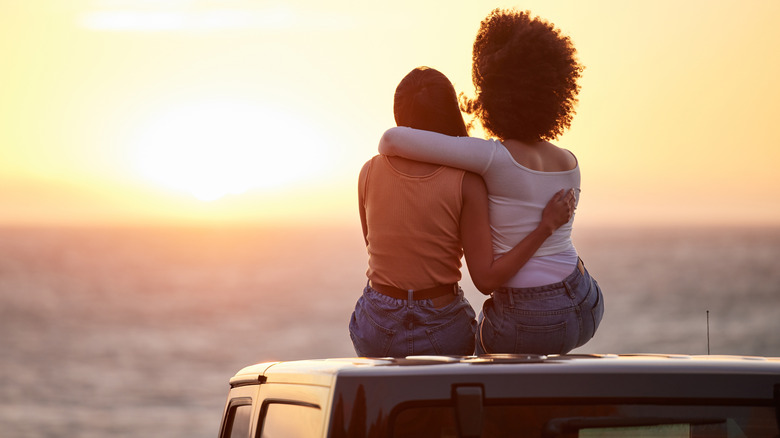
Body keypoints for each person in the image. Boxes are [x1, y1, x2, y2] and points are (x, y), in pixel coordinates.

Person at [378, 9, 604, 355]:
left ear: (493, 95)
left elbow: (391, 140)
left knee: (475, 348)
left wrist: (543, 228)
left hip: (530, 316)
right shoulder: (569, 162)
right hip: (586, 302)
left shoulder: (492, 158)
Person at [350, 66, 575, 357]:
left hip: (376, 323)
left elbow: (375, 248)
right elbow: (486, 280)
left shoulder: (368, 171)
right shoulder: (466, 181)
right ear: (450, 112)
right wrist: (545, 227)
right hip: (440, 325)